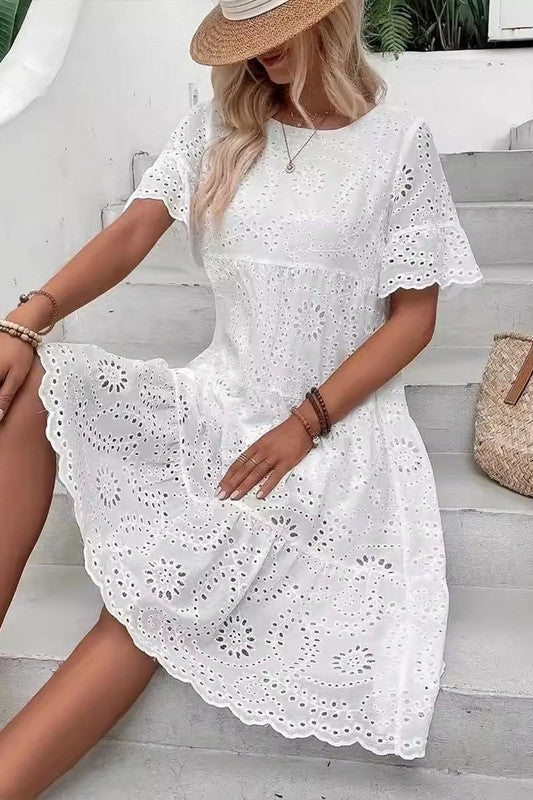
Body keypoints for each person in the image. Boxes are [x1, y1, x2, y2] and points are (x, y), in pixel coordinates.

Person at [0, 0, 483, 796]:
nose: (259, 55)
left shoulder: (397, 145)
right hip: (218, 394)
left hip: (327, 431)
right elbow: (131, 233)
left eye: (275, 33)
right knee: (32, 381)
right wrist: (28, 318)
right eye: (247, 39)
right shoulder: (215, 130)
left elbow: (413, 318)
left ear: (328, 20)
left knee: (161, 590)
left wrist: (305, 422)